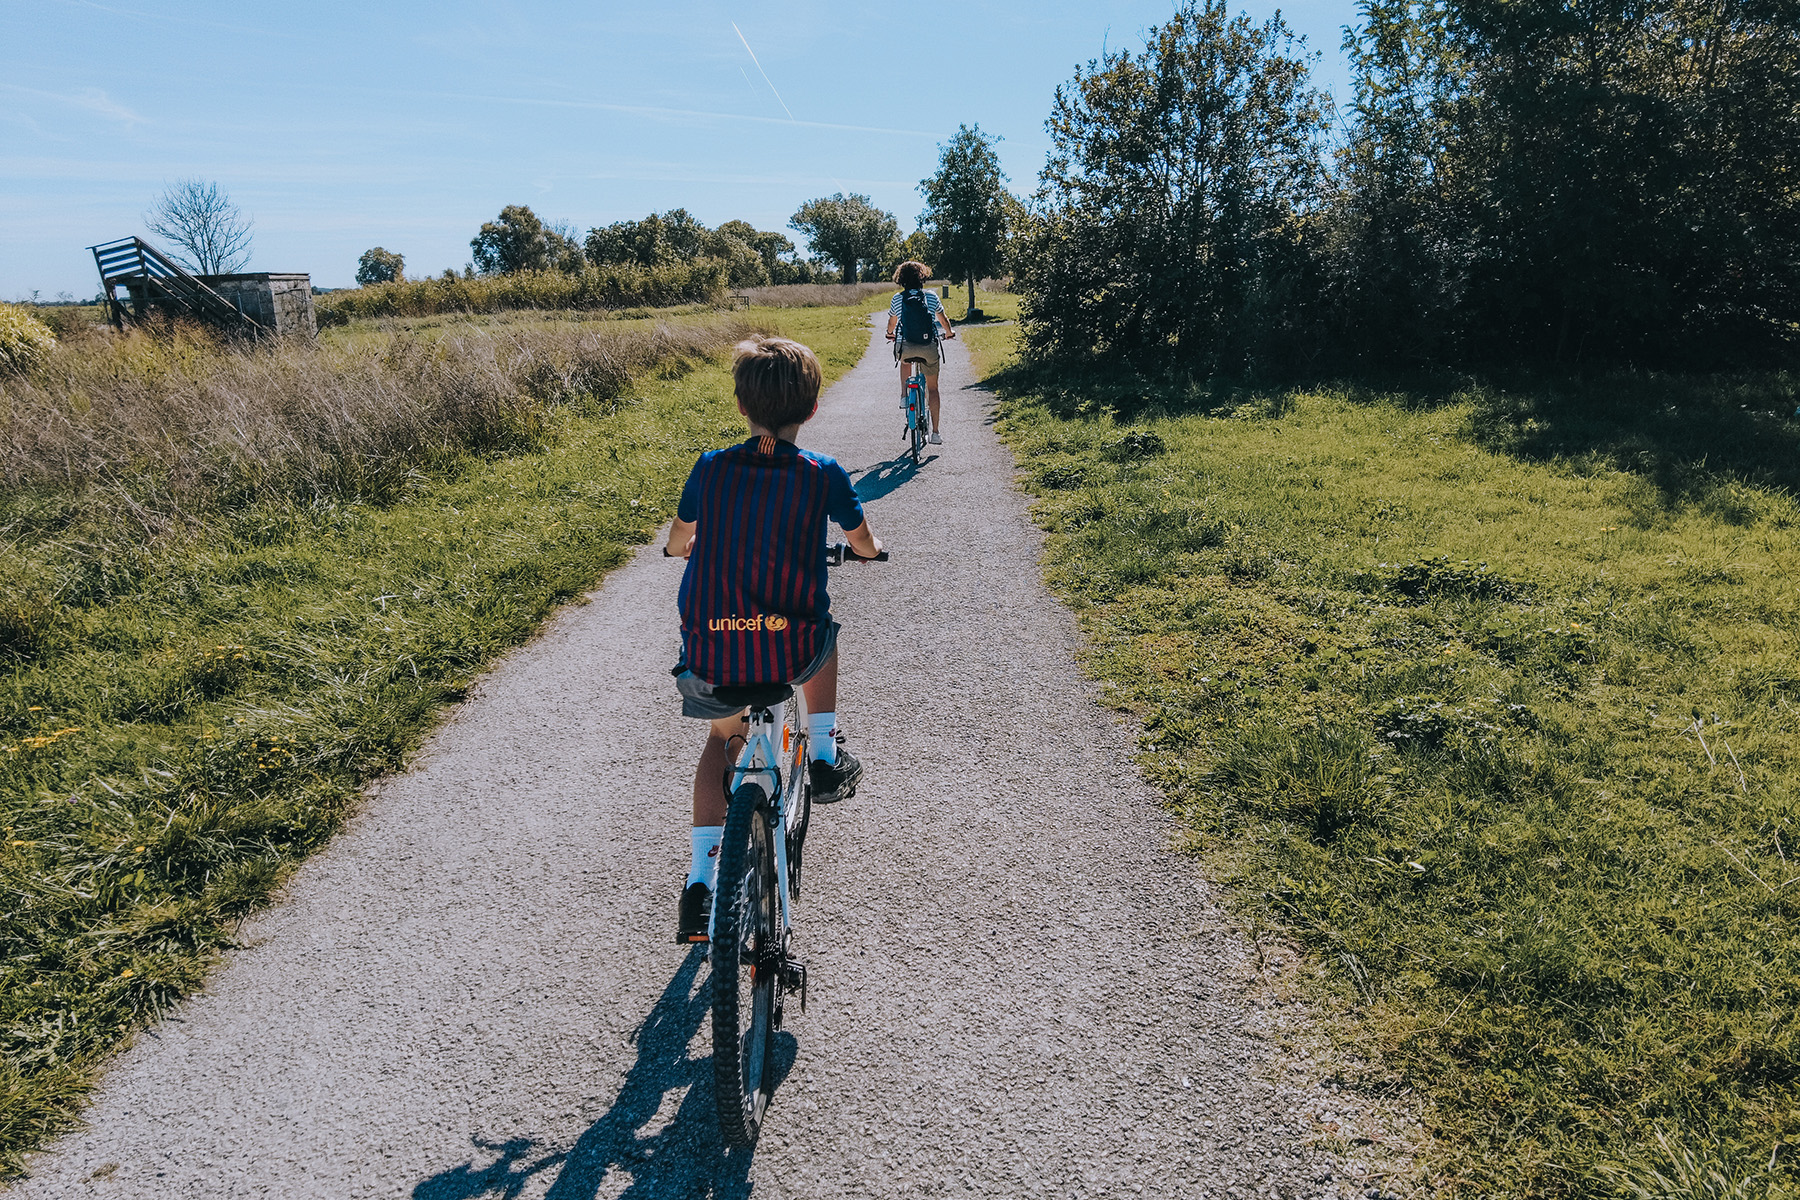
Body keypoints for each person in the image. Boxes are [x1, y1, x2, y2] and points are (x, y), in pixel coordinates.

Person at [664, 335, 882, 943]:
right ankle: (822, 753)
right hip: (790, 648)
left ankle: (701, 884)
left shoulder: (710, 467)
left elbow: (679, 539)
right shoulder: (821, 472)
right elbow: (862, 540)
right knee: (823, 636)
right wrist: (871, 552)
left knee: (721, 740)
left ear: (741, 405)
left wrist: (682, 547)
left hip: (715, 650)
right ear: (811, 408)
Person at [884, 260, 956, 445]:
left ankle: (904, 396)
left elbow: (892, 323)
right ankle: (935, 433)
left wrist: (890, 333)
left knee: (904, 361)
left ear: (901, 279)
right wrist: (949, 333)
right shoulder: (931, 296)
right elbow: (943, 320)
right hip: (928, 347)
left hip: (906, 347)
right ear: (922, 277)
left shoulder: (898, 298)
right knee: (933, 388)